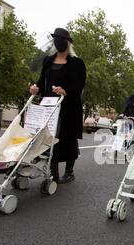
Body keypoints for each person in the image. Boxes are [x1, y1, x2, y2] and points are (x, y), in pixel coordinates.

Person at [30, 27, 86, 184]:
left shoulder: (77, 63)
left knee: (67, 139)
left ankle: (69, 172)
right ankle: (53, 172)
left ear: (68, 43)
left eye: (61, 40)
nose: (58, 42)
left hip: (68, 106)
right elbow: (42, 80)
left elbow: (79, 84)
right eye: (56, 39)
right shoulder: (48, 61)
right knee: (49, 138)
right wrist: (36, 88)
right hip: (49, 106)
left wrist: (65, 91)